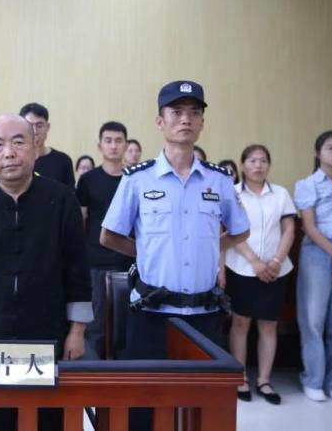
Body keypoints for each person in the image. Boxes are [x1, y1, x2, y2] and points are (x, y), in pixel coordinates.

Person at [100, 81, 250, 430]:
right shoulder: (138, 179)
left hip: (204, 314)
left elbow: (241, 230)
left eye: (194, 113)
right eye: (177, 112)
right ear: (160, 121)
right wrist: (147, 251)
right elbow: (109, 235)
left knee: (201, 408)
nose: (186, 119)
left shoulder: (219, 180)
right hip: (151, 313)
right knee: (143, 408)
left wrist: (213, 248)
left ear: (202, 123)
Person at [0, 114, 92, 431]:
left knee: (46, 416)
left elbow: (77, 269)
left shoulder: (61, 199)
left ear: (36, 147)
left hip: (47, 331)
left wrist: (77, 331)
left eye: (18, 142)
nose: (8, 153)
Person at [225, 145, 296, 405]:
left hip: (277, 270)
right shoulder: (233, 193)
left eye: (263, 161)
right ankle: (241, 377)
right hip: (242, 268)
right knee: (240, 323)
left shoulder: (281, 194)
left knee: (268, 325)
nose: (258, 165)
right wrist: (254, 261)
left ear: (269, 165)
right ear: (243, 165)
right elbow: (231, 229)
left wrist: (276, 261)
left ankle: (264, 380)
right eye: (253, 161)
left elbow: (289, 229)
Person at [294, 130, 332, 403]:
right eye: (330, 147)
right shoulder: (307, 184)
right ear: (318, 153)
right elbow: (309, 227)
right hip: (317, 251)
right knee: (313, 319)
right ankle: (313, 379)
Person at [76, 121, 135, 359]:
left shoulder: (135, 179)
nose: (113, 146)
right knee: (96, 324)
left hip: (129, 261)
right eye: (108, 141)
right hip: (96, 262)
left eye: (118, 141)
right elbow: (81, 222)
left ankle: (126, 374)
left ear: (126, 145)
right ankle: (94, 371)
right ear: (99, 145)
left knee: (126, 323)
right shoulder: (88, 180)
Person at [19, 102, 75, 188]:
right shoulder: (16, 160)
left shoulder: (63, 160)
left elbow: (70, 193)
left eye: (39, 126)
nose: (35, 131)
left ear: (48, 127)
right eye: (29, 125)